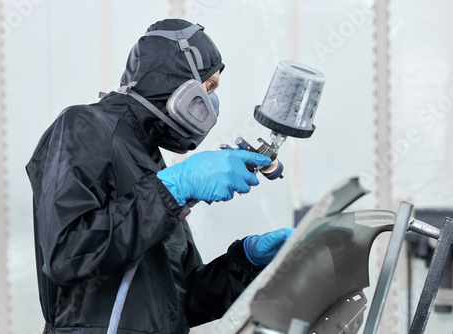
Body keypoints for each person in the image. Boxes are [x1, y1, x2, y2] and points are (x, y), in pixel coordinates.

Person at [26, 18, 294, 334]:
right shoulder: (83, 127)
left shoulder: (152, 163)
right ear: (177, 83)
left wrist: (247, 260)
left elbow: (181, 302)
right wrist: (173, 188)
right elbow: (67, 254)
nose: (213, 103)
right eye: (209, 86)